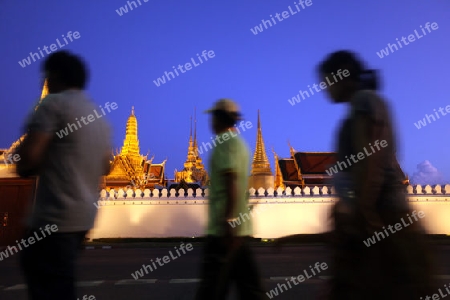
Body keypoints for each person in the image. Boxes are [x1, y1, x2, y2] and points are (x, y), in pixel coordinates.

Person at [316, 50, 435, 300]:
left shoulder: (364, 100)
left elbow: (370, 158)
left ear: (342, 77)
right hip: (374, 212)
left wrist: (365, 212)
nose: (324, 87)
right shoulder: (364, 104)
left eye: (327, 80)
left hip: (381, 212)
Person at [16, 50, 112, 300]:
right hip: (83, 220)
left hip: (52, 219)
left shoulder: (52, 104)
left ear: (53, 77)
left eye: (46, 77)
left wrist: (29, 161)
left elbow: (27, 160)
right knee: (60, 284)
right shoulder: (98, 116)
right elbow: (107, 166)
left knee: (47, 286)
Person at [195, 99, 266, 300]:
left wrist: (228, 222)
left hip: (223, 231)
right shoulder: (240, 144)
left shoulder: (224, 142)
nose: (211, 122)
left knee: (211, 290)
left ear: (220, 119)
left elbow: (231, 181)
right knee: (250, 289)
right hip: (239, 230)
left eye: (214, 117)